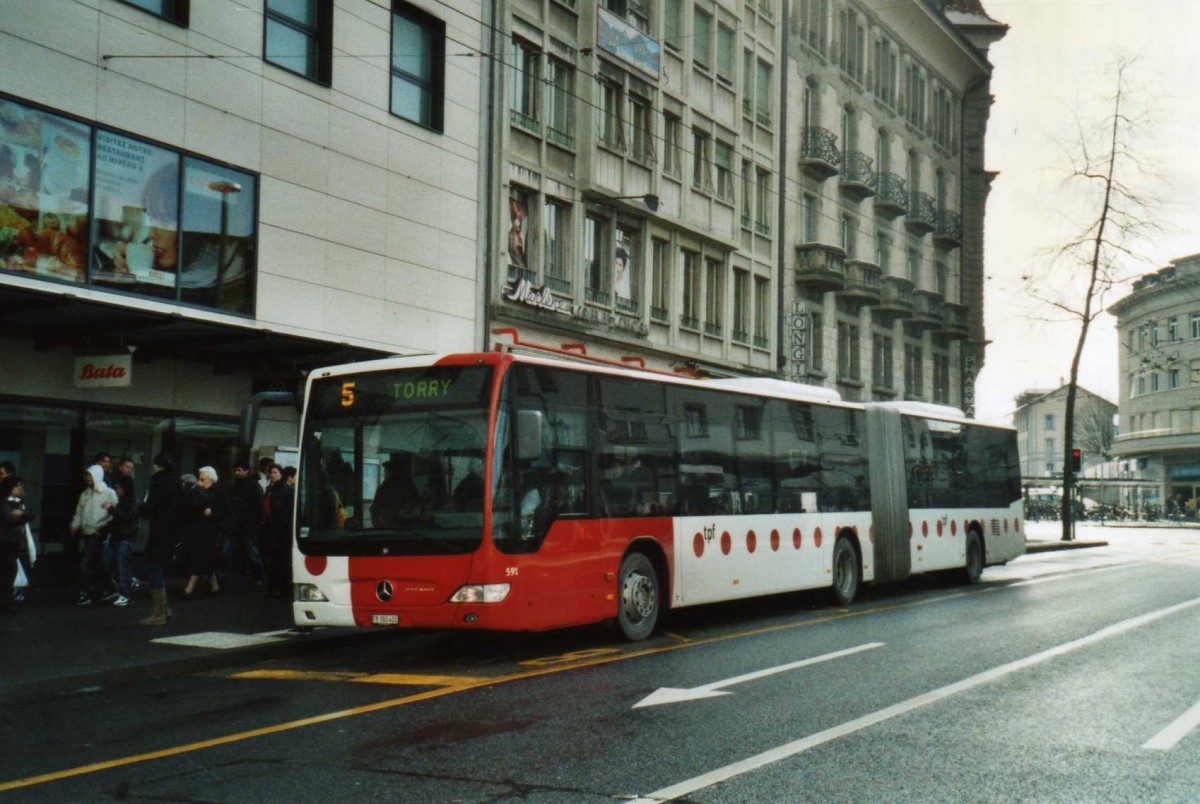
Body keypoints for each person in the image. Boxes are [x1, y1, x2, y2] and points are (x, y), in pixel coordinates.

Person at [137, 452, 180, 626]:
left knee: (154, 567)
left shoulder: (157, 482)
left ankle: (159, 613)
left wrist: (141, 508)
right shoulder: (177, 482)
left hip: (159, 530)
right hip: (172, 532)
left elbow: (150, 508)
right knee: (161, 567)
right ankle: (165, 608)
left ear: (156, 465)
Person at [180, 466, 232, 598]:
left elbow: (226, 512)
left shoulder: (219, 493)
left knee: (201, 556)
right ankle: (215, 586)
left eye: (202, 478)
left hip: (211, 531)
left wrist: (213, 512)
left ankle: (190, 588)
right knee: (205, 557)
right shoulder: (200, 491)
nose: (199, 481)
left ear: (211, 479)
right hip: (199, 529)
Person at [71, 464, 118, 606]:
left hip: (101, 533)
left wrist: (104, 527)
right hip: (88, 533)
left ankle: (87, 592)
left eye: (90, 476)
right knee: (96, 563)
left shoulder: (108, 493)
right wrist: (74, 525)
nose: (87, 479)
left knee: (88, 563)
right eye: (86, 476)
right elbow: (79, 512)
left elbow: (114, 512)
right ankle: (108, 588)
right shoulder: (85, 494)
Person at [104, 461, 139, 607]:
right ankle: (126, 586)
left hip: (125, 537)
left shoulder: (131, 502)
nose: (117, 490)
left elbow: (127, 518)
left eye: (119, 488)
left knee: (122, 565)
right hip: (117, 536)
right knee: (110, 562)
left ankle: (126, 594)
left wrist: (111, 510)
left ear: (124, 489)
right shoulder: (121, 502)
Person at [0, 475, 34, 614]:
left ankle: (6, 601)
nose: (20, 488)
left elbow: (32, 514)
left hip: (14, 541)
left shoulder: (19, 501)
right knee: (6, 572)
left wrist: (21, 514)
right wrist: (23, 517)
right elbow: (8, 519)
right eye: (17, 486)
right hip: (4, 541)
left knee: (10, 572)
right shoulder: (3, 502)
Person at [227, 459, 265, 585]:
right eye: (236, 470)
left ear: (246, 471)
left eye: (239, 470)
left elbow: (258, 507)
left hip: (246, 524)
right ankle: (256, 574)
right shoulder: (247, 485)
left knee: (250, 551)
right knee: (247, 550)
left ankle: (259, 575)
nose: (236, 473)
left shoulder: (249, 485)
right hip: (241, 523)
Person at [262, 464, 295, 597]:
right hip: (274, 528)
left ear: (281, 474)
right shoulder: (272, 488)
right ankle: (279, 586)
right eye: (271, 472)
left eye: (276, 472)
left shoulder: (280, 488)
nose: (273, 475)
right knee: (277, 558)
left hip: (280, 529)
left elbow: (281, 510)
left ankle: (281, 587)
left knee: (280, 558)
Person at [371, 458, 422, 528]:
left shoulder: (385, 487)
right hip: (408, 526)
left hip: (389, 524)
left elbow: (375, 507)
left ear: (390, 472)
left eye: (385, 471)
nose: (384, 474)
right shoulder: (409, 486)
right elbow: (416, 504)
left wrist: (378, 525)